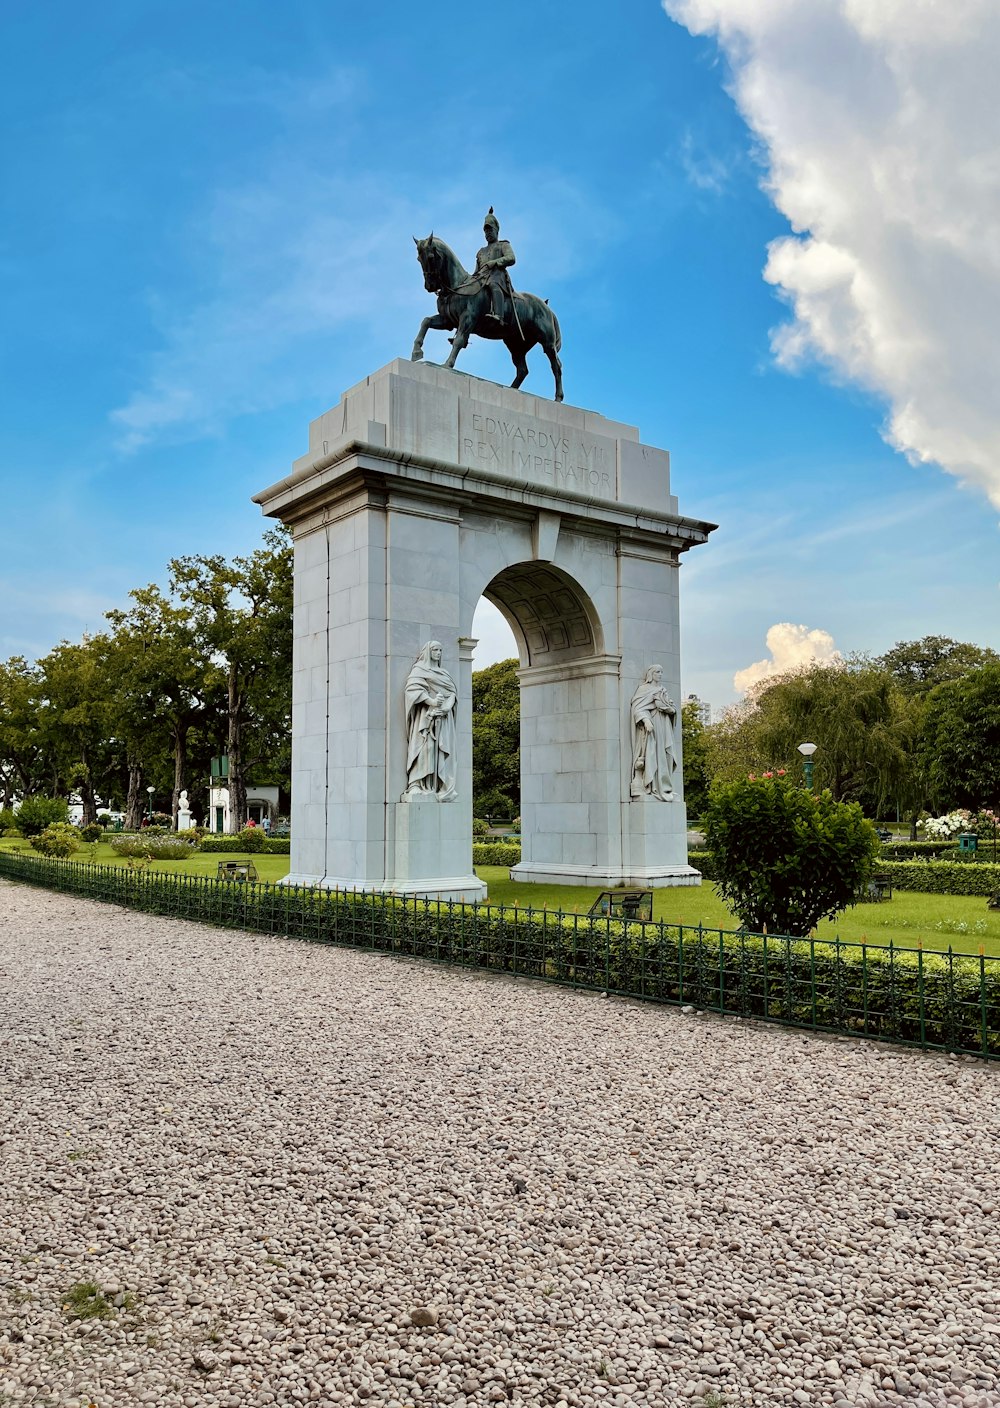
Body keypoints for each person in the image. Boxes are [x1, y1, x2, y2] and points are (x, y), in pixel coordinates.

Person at [404, 641, 458, 800]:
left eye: (441, 650)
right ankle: (416, 783)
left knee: (439, 751)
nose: (439, 653)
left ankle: (439, 786)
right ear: (428, 651)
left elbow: (452, 694)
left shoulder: (445, 673)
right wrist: (431, 701)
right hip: (425, 718)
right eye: (435, 650)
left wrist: (446, 707)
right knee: (424, 749)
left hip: (443, 718)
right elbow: (412, 690)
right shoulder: (418, 670)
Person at [629, 665, 677, 801]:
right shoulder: (643, 689)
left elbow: (672, 707)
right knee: (653, 754)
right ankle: (652, 785)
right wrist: (646, 720)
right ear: (651, 674)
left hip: (664, 725)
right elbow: (637, 708)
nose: (660, 674)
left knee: (665, 755)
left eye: (662, 672)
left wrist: (670, 710)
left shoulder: (663, 690)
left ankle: (665, 787)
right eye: (657, 672)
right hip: (652, 725)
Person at [472, 207, 516, 324]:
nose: (488, 233)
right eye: (486, 231)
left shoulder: (503, 245)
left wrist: (495, 262)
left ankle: (499, 316)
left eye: (490, 230)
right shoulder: (481, 251)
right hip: (481, 279)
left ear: (496, 230)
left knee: (493, 284)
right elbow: (476, 271)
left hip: (497, 276)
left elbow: (511, 258)